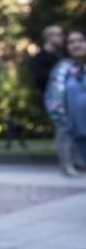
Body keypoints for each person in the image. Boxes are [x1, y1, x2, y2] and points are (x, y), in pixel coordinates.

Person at [45, 29, 86, 172]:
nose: (76, 45)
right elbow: (53, 96)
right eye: (71, 42)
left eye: (80, 41)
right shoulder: (61, 69)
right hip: (70, 126)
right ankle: (71, 164)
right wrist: (59, 117)